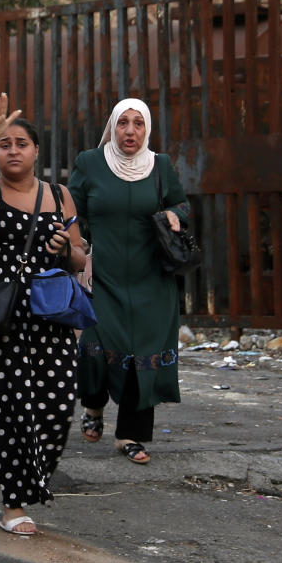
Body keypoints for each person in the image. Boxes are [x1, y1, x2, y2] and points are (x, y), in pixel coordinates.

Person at [0, 95, 87, 535]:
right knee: (11, 407)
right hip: (0, 317)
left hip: (50, 314)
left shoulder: (60, 195)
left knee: (56, 403)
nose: (12, 151)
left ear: (36, 150)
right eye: (5, 145)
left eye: (21, 144)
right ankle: (14, 502)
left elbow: (78, 256)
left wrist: (65, 250)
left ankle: (34, 477)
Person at [67, 97, 189, 465]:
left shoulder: (160, 166)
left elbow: (183, 204)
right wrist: (77, 248)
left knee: (143, 355)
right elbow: (72, 209)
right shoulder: (90, 163)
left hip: (152, 280)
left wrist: (173, 213)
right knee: (96, 344)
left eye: (138, 123)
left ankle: (130, 435)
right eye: (123, 123)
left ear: (147, 129)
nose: (131, 131)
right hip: (103, 277)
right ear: (113, 127)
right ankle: (93, 405)